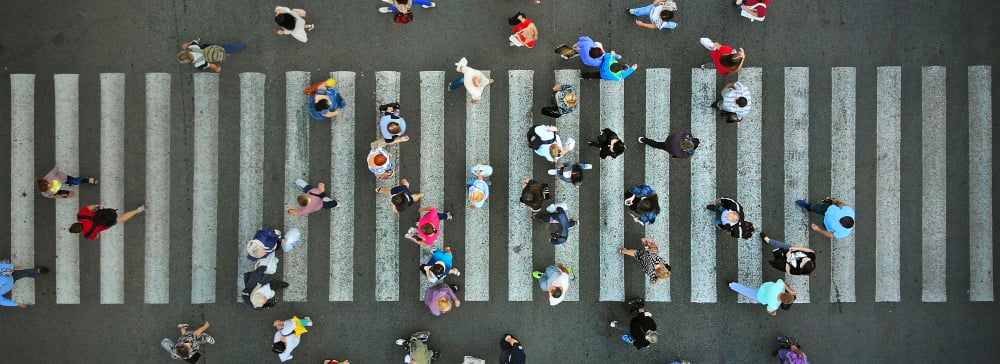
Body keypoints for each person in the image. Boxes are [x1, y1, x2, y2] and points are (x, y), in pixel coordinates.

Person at [69, 204, 145, 240]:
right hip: (104, 213)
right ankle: (137, 210)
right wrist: (96, 207)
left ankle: (139, 210)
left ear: (79, 231)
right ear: (75, 223)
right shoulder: (81, 214)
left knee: (120, 219)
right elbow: (94, 206)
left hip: (107, 223)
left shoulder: (88, 235)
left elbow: (96, 236)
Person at [729, 279, 797, 316]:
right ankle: (732, 285)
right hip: (760, 296)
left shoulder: (780, 286)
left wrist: (790, 290)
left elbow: (782, 282)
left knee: (747, 291)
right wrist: (773, 313)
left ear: (786, 292)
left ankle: (732, 284)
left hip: (765, 286)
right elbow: (769, 310)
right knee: (747, 292)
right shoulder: (774, 305)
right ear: (783, 302)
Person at [177, 39, 246, 73]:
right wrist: (187, 44)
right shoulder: (193, 47)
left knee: (224, 53)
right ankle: (241, 46)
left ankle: (241, 47)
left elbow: (211, 65)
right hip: (216, 48)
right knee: (230, 48)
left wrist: (217, 69)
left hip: (218, 56)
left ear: (188, 61)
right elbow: (195, 41)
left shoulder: (198, 64)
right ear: (186, 51)